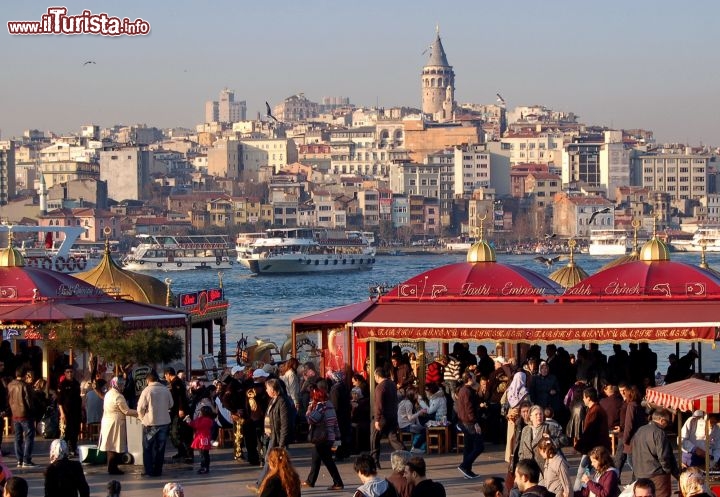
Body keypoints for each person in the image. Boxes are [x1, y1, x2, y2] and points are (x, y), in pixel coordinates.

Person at [631, 408, 680, 497]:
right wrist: (667, 470)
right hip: (657, 475)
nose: (667, 425)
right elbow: (664, 456)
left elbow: (633, 451)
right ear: (662, 420)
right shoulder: (659, 433)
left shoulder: (640, 430)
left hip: (640, 472)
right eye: (667, 422)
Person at [302, 387, 344, 491]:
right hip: (329, 437)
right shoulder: (330, 406)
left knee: (328, 461)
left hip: (321, 438)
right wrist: (337, 438)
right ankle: (310, 481)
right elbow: (335, 423)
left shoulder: (321, 407)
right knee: (316, 459)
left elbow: (311, 419)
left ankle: (338, 482)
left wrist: (308, 411)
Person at [136, 370, 174, 477]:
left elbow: (140, 408)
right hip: (164, 423)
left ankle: (149, 471)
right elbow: (171, 404)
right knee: (160, 448)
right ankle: (158, 470)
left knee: (148, 447)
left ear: (148, 380)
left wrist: (142, 418)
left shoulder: (147, 391)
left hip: (150, 425)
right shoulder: (165, 390)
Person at [98, 376, 137, 475]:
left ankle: (111, 467)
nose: (123, 386)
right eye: (121, 384)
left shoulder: (108, 394)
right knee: (115, 445)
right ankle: (113, 468)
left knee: (110, 445)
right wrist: (139, 413)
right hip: (116, 423)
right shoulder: (118, 396)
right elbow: (126, 411)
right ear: (117, 384)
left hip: (107, 421)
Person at [573, 387, 610, 492]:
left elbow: (589, 432)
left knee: (582, 472)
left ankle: (577, 492)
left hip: (593, 449)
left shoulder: (595, 411)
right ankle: (584, 491)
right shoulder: (596, 409)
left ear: (588, 398)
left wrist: (577, 446)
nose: (583, 400)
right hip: (595, 448)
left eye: (584, 397)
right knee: (591, 472)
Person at [370, 367, 404, 469]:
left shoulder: (380, 387)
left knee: (374, 439)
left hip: (382, 417)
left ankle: (375, 461)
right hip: (392, 415)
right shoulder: (392, 384)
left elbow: (378, 405)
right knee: (393, 438)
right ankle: (405, 454)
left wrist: (377, 419)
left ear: (377, 376)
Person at [455, 371, 484, 479]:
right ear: (469, 379)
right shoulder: (466, 391)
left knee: (469, 447)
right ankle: (464, 466)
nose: (475, 378)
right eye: (473, 376)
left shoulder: (464, 390)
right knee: (479, 446)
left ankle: (467, 470)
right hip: (469, 422)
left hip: (465, 421)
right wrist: (475, 422)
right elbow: (469, 408)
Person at [7, 367, 35, 468]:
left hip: (15, 414)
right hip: (25, 414)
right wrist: (32, 411)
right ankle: (26, 460)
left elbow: (9, 399)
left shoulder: (10, 385)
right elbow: (28, 401)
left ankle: (19, 460)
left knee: (17, 438)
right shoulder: (25, 385)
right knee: (29, 437)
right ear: (24, 375)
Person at [164, 367, 191, 464]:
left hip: (179, 411)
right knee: (175, 432)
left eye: (165, 375)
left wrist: (181, 409)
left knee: (177, 432)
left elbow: (180, 397)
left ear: (168, 374)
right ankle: (181, 451)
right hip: (174, 411)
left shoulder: (177, 383)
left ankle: (186, 453)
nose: (165, 378)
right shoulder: (174, 382)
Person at [56, 367, 81, 457]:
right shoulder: (62, 385)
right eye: (68, 372)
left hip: (76, 411)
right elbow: (59, 401)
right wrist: (62, 413)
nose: (70, 373)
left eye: (71, 371)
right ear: (65, 373)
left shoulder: (76, 383)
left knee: (75, 431)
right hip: (66, 412)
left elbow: (78, 398)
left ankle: (73, 449)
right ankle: (64, 450)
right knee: (66, 432)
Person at [186, 405, 214, 474]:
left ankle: (204, 467)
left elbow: (196, 425)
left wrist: (189, 421)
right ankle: (205, 466)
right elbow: (194, 424)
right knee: (204, 454)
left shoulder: (204, 420)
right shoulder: (206, 419)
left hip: (202, 438)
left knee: (203, 455)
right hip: (203, 438)